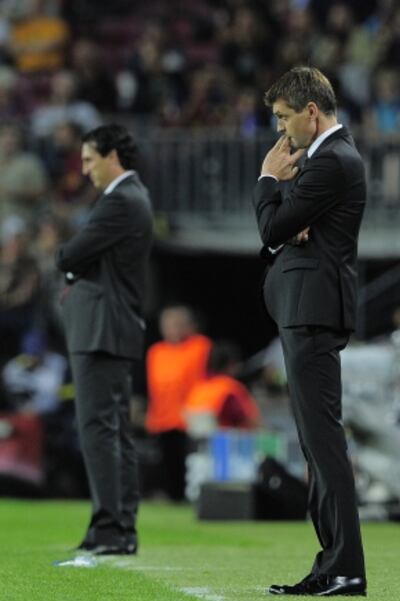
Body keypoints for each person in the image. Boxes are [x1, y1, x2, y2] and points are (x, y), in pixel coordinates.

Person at [253, 66, 366, 596]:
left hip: (314, 311)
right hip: (307, 309)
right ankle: (331, 565)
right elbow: (284, 231)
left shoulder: (333, 162)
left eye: (283, 118)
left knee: (323, 445)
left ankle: (345, 568)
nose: (282, 133)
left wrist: (269, 181)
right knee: (316, 447)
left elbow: (272, 228)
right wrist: (287, 214)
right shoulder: (325, 164)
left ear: (311, 112)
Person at [56, 123, 153, 555]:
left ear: (113, 156)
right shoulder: (132, 199)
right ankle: (118, 526)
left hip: (101, 328)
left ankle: (111, 526)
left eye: (91, 160)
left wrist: (71, 267)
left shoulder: (122, 201)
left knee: (99, 428)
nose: (85, 169)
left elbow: (69, 254)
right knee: (113, 429)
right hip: (111, 325)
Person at [145, 305, 212, 501]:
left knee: (192, 461)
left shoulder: (201, 346)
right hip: (163, 417)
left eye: (176, 324)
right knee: (168, 462)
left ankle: (194, 496)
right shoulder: (156, 352)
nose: (171, 329)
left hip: (193, 417)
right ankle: (174, 496)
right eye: (167, 325)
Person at [184, 340, 260, 431]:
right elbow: (250, 421)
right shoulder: (230, 388)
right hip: (224, 440)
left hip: (198, 442)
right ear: (231, 364)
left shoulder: (199, 388)